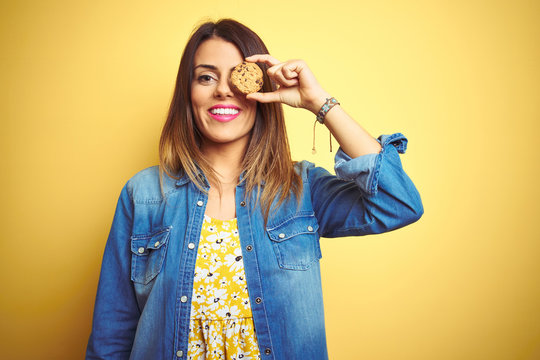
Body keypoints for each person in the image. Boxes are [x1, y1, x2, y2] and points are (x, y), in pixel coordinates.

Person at [86, 18, 423, 360]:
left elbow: (398, 202)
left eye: (237, 76)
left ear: (261, 90)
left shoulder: (301, 189)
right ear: (188, 93)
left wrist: (318, 102)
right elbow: (111, 335)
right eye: (206, 77)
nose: (222, 90)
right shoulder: (143, 195)